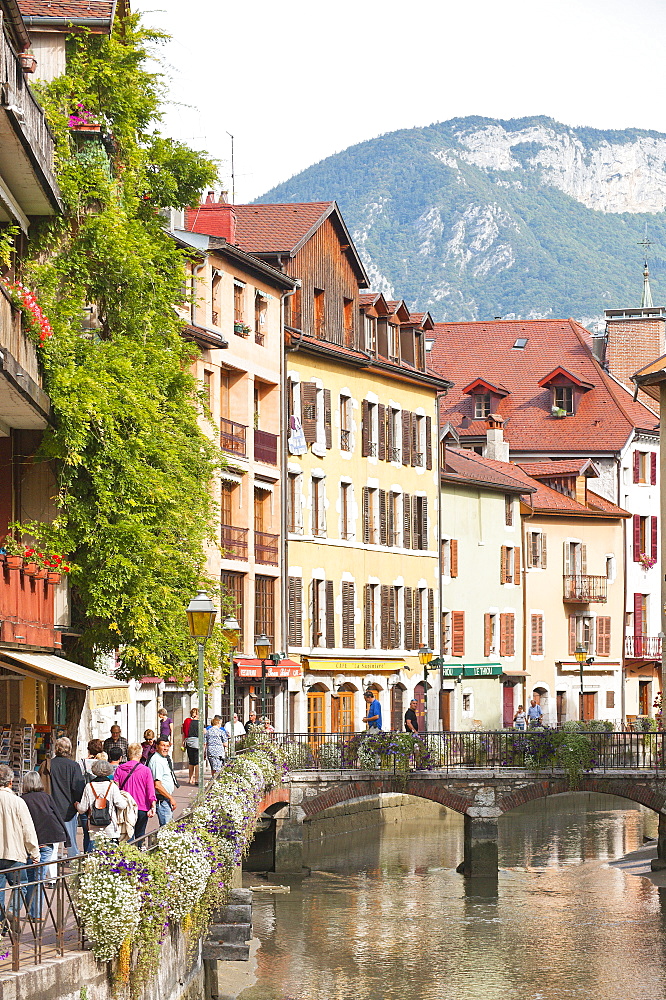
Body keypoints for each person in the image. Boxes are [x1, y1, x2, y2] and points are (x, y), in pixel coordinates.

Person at [22, 771, 69, 918]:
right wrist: (66, 838)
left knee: (31, 878)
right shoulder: (47, 798)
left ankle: (32, 911)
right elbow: (58, 817)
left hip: (29, 845)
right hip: (47, 842)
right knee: (39, 878)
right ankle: (35, 913)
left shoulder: (22, 800)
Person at [0, 763, 39, 929]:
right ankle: (11, 912)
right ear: (10, 782)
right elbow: (28, 830)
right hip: (14, 853)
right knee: (20, 886)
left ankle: (2, 919)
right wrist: (34, 853)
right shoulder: (18, 802)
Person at [47, 737, 85, 858]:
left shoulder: (48, 764)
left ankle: (51, 868)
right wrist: (77, 802)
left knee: (51, 842)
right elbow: (79, 787)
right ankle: (73, 866)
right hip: (69, 808)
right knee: (71, 841)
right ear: (69, 750)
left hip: (51, 807)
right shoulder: (73, 766)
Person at [114, 744, 156, 842]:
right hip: (142, 806)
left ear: (128, 754)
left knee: (126, 834)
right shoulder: (145, 770)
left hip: (126, 807)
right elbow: (150, 790)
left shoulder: (120, 769)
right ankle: (139, 852)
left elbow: (116, 789)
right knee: (140, 834)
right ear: (140, 754)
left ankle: (127, 855)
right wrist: (153, 806)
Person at [76, 760, 125, 843]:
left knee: (95, 852)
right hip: (110, 826)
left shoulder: (89, 786)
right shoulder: (112, 786)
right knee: (111, 853)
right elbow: (122, 805)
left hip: (94, 827)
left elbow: (82, 809)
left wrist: (77, 805)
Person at [148, 739, 178, 826]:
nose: (165, 748)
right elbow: (157, 785)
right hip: (162, 800)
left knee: (169, 827)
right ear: (157, 746)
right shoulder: (157, 761)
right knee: (167, 828)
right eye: (163, 746)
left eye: (167, 746)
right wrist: (171, 798)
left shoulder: (163, 758)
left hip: (165, 799)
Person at [183, 710, 200, 785]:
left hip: (189, 742)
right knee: (197, 762)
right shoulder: (200, 723)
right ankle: (197, 779)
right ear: (196, 715)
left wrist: (183, 742)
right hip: (197, 743)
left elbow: (184, 732)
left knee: (191, 762)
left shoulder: (187, 722)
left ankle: (190, 779)